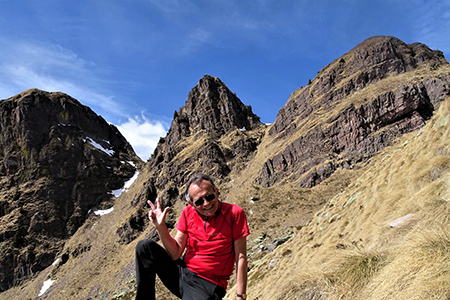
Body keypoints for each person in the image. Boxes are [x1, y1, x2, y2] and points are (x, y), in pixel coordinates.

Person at [135, 173, 249, 300]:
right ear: (191, 204)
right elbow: (175, 253)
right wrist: (160, 227)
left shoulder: (234, 213)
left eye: (209, 196)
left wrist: (241, 296)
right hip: (181, 272)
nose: (206, 204)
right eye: (199, 201)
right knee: (144, 247)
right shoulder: (187, 212)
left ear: (216, 192)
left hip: (207, 284)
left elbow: (241, 257)